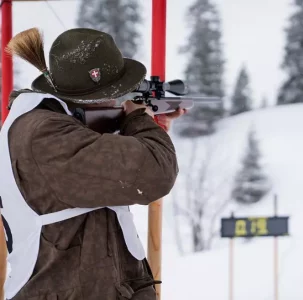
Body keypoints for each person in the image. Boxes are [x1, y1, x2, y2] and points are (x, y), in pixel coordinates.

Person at [0, 28, 184, 300]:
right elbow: (156, 172)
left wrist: (144, 129)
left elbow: (95, 164)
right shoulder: (47, 137)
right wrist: (138, 120)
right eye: (116, 93)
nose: (117, 100)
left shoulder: (44, 126)